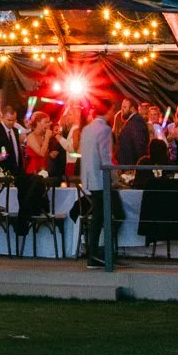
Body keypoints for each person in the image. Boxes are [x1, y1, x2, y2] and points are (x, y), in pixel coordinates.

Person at [77, 105, 117, 263]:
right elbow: (105, 157)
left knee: (98, 216)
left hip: (89, 177)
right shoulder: (105, 130)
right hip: (101, 178)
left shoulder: (86, 129)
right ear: (108, 110)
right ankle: (99, 253)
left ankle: (95, 252)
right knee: (106, 215)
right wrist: (114, 178)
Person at [113, 102, 149, 166]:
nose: (122, 110)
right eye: (122, 107)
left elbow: (139, 145)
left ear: (132, 109)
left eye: (124, 107)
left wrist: (139, 166)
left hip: (132, 165)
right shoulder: (132, 121)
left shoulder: (136, 121)